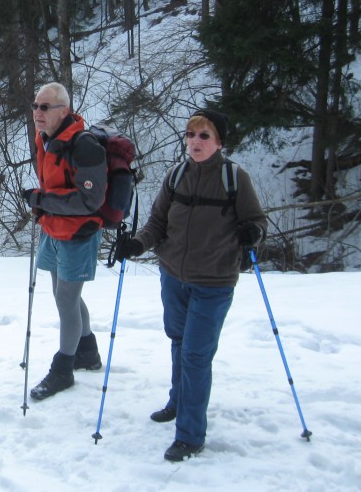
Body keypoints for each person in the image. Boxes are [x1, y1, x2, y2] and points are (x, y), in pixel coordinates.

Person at [114, 109, 267, 462]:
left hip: (214, 281)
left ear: (219, 142)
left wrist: (253, 233)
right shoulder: (176, 174)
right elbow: (157, 223)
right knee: (179, 341)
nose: (195, 142)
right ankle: (178, 401)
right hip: (173, 276)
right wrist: (137, 244)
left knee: (196, 354)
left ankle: (190, 434)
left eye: (204, 136)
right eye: (190, 134)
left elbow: (257, 221)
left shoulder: (234, 178)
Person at [22, 82, 107, 401]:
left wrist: (42, 200)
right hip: (54, 229)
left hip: (78, 233)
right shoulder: (45, 138)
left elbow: (91, 200)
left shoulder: (84, 146)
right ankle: (87, 352)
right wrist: (43, 204)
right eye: (35, 106)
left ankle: (63, 370)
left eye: (45, 107)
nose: (38, 113)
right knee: (64, 295)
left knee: (65, 301)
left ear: (64, 111)